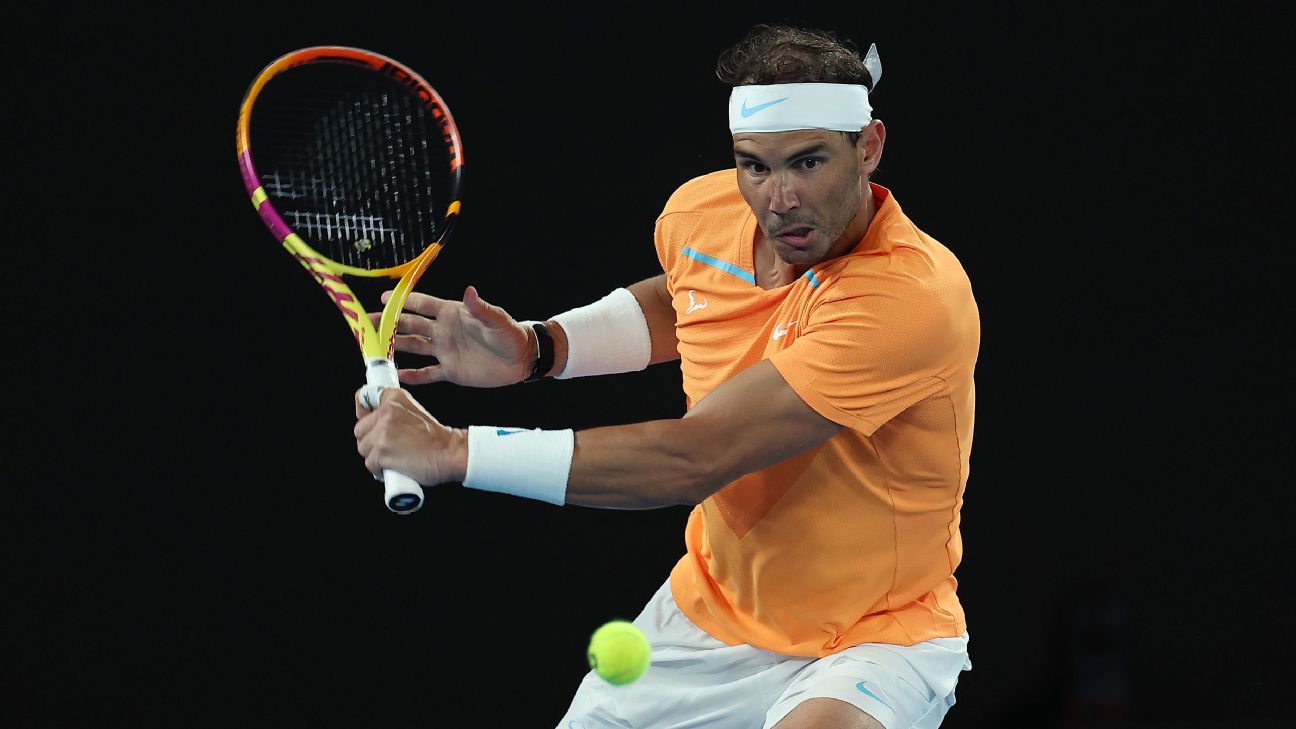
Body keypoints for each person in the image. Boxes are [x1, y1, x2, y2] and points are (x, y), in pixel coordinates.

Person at [353, 23, 979, 729]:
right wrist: (540, 347)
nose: (779, 198)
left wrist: (452, 451)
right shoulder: (700, 214)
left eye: (808, 162)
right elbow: (685, 297)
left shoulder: (907, 299)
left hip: (875, 635)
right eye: (754, 166)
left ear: (868, 147)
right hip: (710, 611)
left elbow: (696, 458)